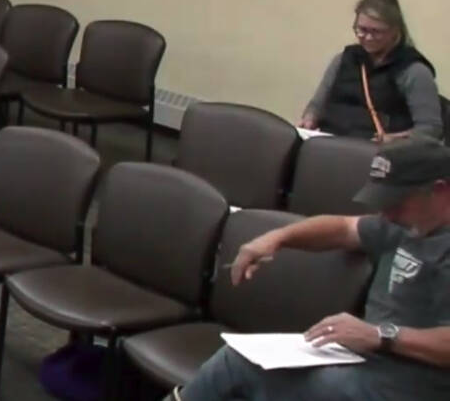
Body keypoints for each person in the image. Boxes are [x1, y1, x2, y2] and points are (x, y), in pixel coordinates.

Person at [169, 138, 450, 400]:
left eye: (397, 203)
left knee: (241, 370)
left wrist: (380, 336)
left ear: (440, 190)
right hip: (369, 354)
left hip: (421, 377)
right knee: (237, 359)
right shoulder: (406, 223)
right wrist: (278, 238)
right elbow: (343, 228)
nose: (387, 213)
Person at [301, 0, 442, 143]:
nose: (367, 37)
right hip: (331, 145)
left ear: (395, 31)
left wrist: (393, 139)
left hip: (377, 154)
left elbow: (430, 130)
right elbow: (317, 105)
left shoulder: (414, 71)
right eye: (361, 30)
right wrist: (309, 119)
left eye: (376, 32)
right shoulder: (343, 60)